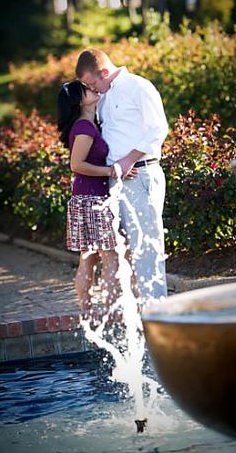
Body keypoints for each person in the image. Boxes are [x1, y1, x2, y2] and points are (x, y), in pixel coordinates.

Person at [75, 48, 169, 303]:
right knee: (122, 252)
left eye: (92, 82)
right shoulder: (102, 96)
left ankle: (158, 314)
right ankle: (139, 315)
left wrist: (128, 159)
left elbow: (158, 129)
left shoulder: (139, 87)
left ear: (104, 72)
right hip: (114, 182)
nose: (91, 88)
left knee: (147, 247)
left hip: (141, 174)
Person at [57, 80, 131, 316]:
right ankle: (111, 310)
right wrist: (112, 170)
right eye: (87, 89)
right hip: (93, 200)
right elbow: (76, 165)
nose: (93, 89)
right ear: (79, 100)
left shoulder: (88, 125)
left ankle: (87, 311)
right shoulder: (85, 128)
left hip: (86, 198)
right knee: (109, 255)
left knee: (88, 257)